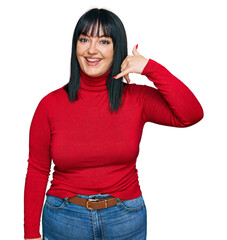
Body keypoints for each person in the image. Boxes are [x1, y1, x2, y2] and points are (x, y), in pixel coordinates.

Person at [24, 7, 204, 240]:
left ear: (117, 48)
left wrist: (149, 68)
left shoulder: (137, 99)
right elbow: (38, 170)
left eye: (104, 41)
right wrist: (30, 234)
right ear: (75, 46)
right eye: (84, 39)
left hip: (125, 218)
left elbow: (190, 114)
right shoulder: (49, 105)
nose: (92, 49)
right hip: (64, 219)